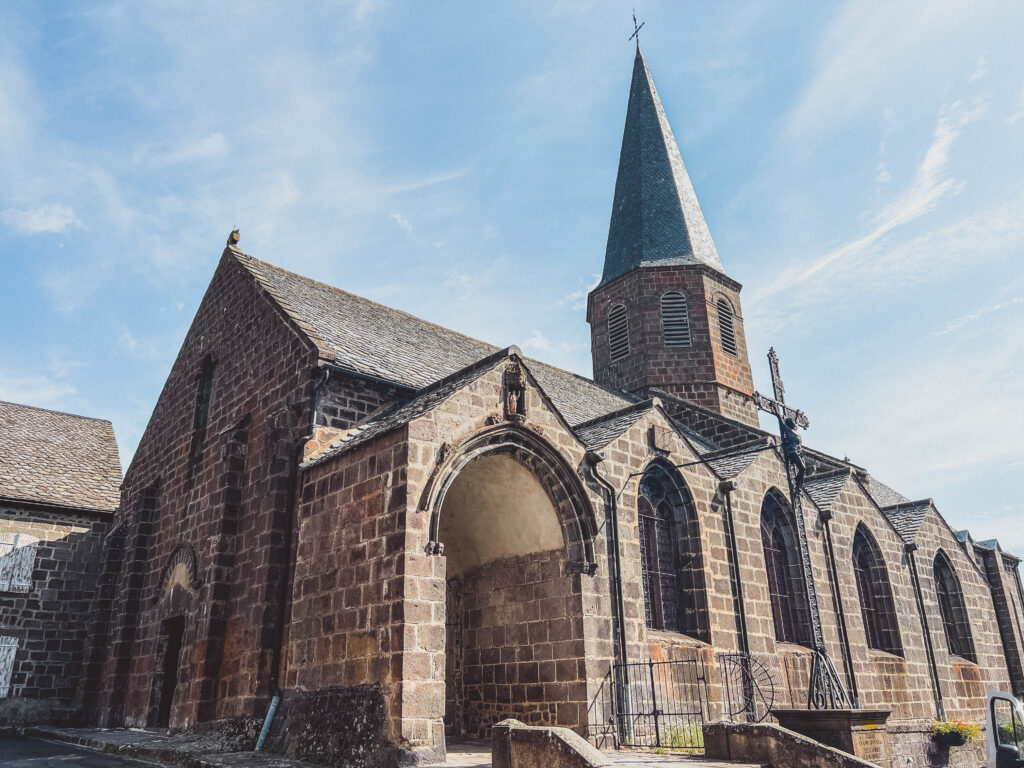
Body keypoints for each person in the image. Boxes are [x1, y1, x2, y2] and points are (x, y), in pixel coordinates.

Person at [780, 416, 806, 491]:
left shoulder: (796, 432)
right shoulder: (787, 429)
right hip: (792, 451)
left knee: (803, 470)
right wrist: (779, 415)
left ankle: (798, 486)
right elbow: (781, 423)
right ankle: (797, 485)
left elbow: (797, 424)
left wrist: (797, 417)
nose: (794, 424)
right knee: (802, 468)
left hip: (799, 452)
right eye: (793, 423)